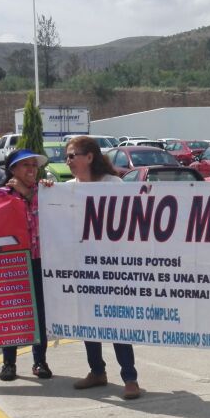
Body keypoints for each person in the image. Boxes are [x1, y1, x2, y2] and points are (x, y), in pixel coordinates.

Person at [64, 136, 142, 400]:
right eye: (67, 157)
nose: (69, 161)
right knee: (89, 323)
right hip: (83, 269)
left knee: (116, 322)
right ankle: (97, 371)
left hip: (112, 268)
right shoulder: (65, 188)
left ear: (89, 157)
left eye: (73, 155)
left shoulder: (113, 185)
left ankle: (130, 377)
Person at [0, 149, 53, 382]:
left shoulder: (45, 192)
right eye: (25, 165)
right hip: (13, 263)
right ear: (12, 170)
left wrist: (26, 191)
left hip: (40, 261)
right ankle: (9, 363)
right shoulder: (1, 195)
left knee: (40, 314)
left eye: (34, 165)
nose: (31, 169)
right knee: (12, 311)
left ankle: (40, 361)